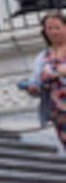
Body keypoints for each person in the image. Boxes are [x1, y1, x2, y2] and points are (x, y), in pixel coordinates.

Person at [26, 11, 66, 155]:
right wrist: (33, 87)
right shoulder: (42, 57)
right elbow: (36, 81)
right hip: (58, 114)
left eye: (57, 27)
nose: (53, 32)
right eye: (49, 28)